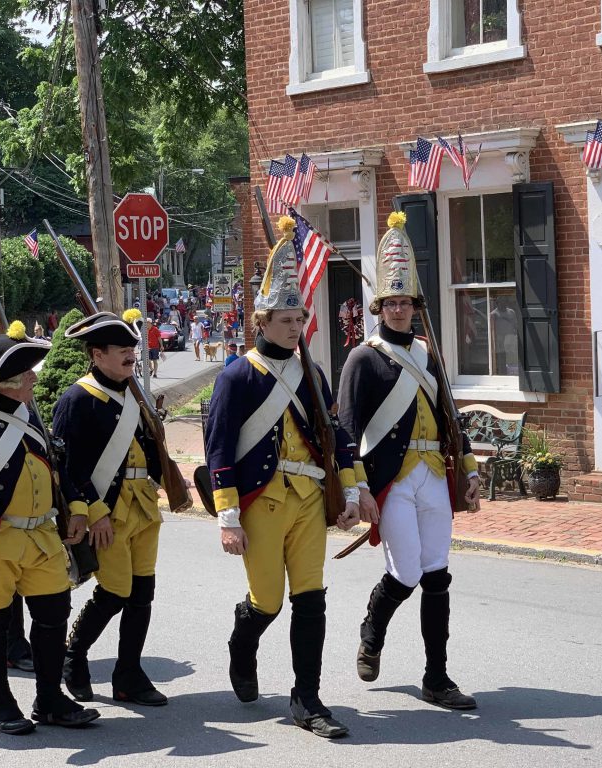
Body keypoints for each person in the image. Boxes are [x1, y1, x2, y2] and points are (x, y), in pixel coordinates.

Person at [204, 215, 360, 739]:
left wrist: (351, 488)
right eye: (286, 320)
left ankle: (307, 697)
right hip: (261, 502)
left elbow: (332, 433)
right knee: (266, 601)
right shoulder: (238, 374)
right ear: (262, 321)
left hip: (309, 500)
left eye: (300, 319)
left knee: (311, 598)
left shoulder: (311, 372)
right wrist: (228, 517)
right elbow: (220, 447)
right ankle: (241, 644)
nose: (297, 328)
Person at [338, 212, 482, 711]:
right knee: (405, 573)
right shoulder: (364, 358)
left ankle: (436, 677)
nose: (399, 309)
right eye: (391, 302)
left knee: (437, 574)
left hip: (434, 476)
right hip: (391, 481)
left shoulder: (428, 352)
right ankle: (373, 628)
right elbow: (348, 431)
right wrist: (356, 490)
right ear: (380, 306)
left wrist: (469, 471)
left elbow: (449, 416)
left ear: (415, 307)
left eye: (406, 302)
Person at [0, 321, 99, 734]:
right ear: (5, 381)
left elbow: (58, 467)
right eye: (26, 374)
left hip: (42, 536)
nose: (33, 379)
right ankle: (0, 704)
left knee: (52, 617)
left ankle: (50, 701)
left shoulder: (28, 412)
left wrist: (76, 508)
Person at [53, 309, 169, 708]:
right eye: (121, 349)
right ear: (96, 354)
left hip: (143, 508)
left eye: (132, 349)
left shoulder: (133, 396)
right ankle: (74, 655)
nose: (129, 356)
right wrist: (93, 509)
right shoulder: (77, 399)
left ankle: (129, 674)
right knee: (115, 592)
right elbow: (66, 467)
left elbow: (151, 451)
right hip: (108, 511)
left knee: (142, 593)